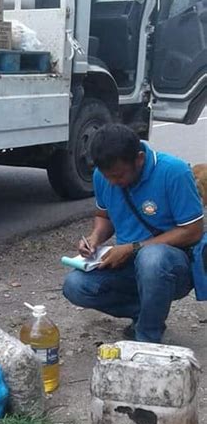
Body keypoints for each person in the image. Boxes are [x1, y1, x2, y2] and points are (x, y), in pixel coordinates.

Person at [62, 123, 204, 343]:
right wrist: (94, 239)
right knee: (75, 286)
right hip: (126, 264)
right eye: (107, 176)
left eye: (118, 176)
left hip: (173, 266)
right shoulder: (104, 176)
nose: (112, 182)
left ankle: (148, 338)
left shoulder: (174, 172)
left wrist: (132, 248)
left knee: (152, 258)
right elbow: (104, 216)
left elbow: (193, 231)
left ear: (139, 159)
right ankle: (148, 312)